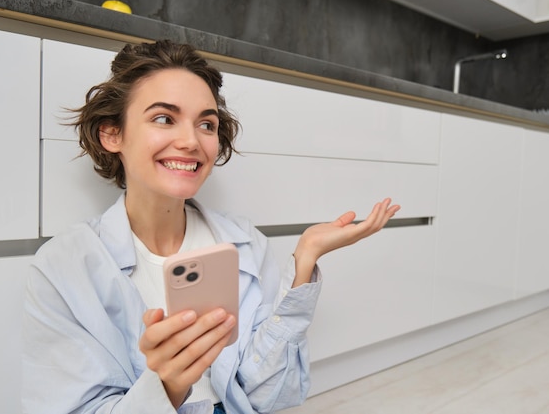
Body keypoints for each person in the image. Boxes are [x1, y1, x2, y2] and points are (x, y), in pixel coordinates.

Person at [22, 40, 400, 414]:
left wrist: (304, 263)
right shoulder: (63, 268)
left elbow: (267, 395)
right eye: (163, 118)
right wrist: (168, 386)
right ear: (112, 134)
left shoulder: (244, 243)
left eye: (206, 124)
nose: (191, 141)